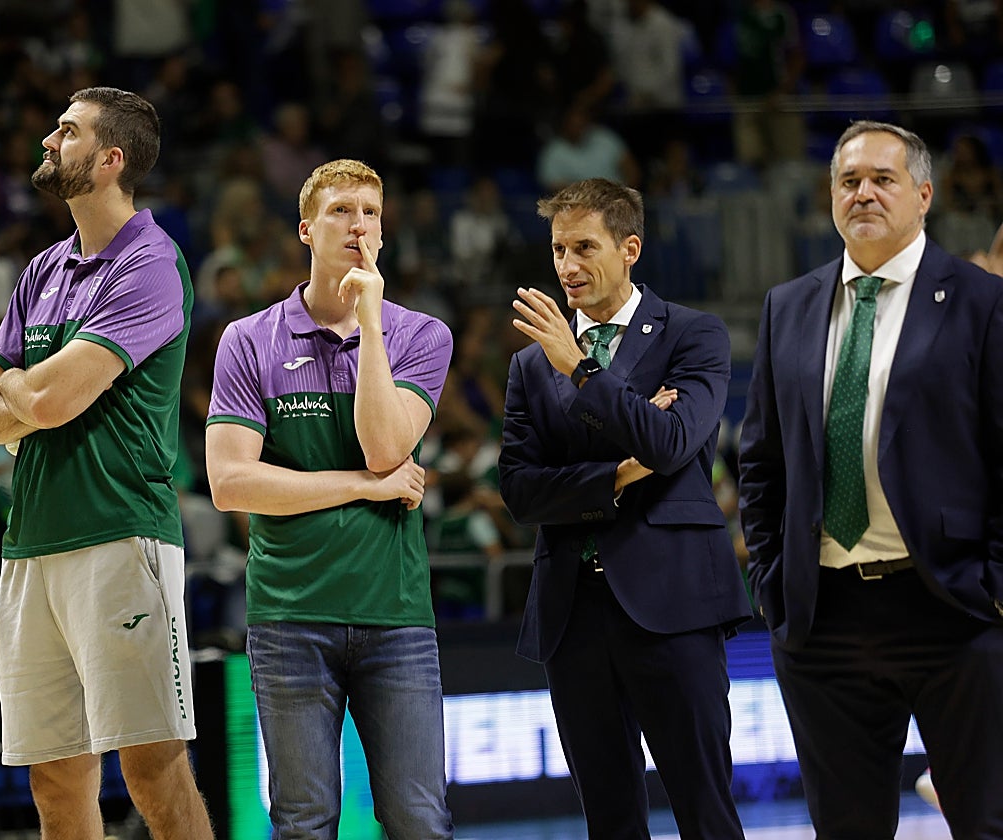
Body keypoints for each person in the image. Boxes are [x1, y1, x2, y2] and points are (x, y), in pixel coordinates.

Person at [0, 87, 214, 840]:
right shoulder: (42, 270)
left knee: (152, 770)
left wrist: (21, 394)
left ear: (110, 159)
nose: (46, 139)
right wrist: (26, 396)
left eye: (66, 132)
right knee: (56, 779)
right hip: (31, 543)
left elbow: (46, 404)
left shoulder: (151, 264)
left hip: (120, 536)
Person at [738, 120, 1003, 837]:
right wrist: (774, 583)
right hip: (825, 619)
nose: (864, 193)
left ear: (923, 195)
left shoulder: (981, 302)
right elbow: (760, 464)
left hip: (951, 609)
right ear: (830, 197)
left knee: (983, 823)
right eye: (849, 180)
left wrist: (993, 589)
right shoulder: (787, 306)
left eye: (882, 179)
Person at [205, 159, 455, 839]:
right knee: (303, 824)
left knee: (418, 821)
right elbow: (231, 484)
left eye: (372, 212)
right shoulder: (247, 339)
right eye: (343, 210)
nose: (360, 225)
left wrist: (370, 325)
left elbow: (384, 446)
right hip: (290, 617)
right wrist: (365, 489)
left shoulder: (420, 335)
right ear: (306, 229)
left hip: (395, 615)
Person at [498, 177, 751, 839]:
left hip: (676, 607)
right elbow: (522, 492)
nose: (566, 266)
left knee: (707, 811)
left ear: (629, 247)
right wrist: (619, 472)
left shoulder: (695, 335)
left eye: (583, 247)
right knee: (609, 820)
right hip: (572, 614)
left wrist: (581, 368)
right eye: (557, 250)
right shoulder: (529, 365)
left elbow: (670, 443)